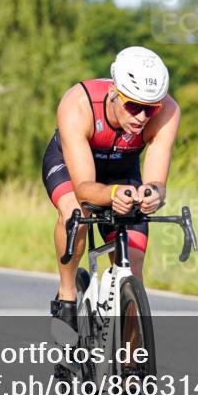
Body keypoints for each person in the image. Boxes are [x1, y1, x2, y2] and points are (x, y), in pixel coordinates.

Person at [42, 46, 181, 333]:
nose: (142, 117)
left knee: (133, 268)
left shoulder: (168, 111)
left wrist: (153, 194)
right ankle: (67, 295)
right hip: (73, 167)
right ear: (114, 93)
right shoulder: (78, 105)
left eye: (150, 108)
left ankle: (131, 369)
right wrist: (111, 195)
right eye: (133, 106)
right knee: (74, 214)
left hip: (122, 170)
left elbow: (156, 181)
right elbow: (83, 188)